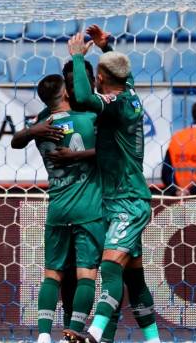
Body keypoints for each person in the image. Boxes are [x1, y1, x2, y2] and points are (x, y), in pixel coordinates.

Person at [64, 30, 160, 343]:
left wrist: (79, 56)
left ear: (101, 77)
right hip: (121, 199)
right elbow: (124, 73)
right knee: (133, 276)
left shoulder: (116, 104)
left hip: (128, 202)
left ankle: (93, 334)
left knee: (110, 266)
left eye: (98, 73)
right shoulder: (130, 92)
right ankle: (154, 340)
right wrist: (106, 47)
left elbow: (82, 97)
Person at [12, 74, 105, 343]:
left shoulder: (42, 127)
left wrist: (32, 130)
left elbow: (16, 141)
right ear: (65, 94)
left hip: (57, 207)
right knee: (87, 273)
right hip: (88, 209)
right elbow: (111, 151)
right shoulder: (88, 120)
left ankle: (43, 336)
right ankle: (73, 334)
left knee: (52, 274)